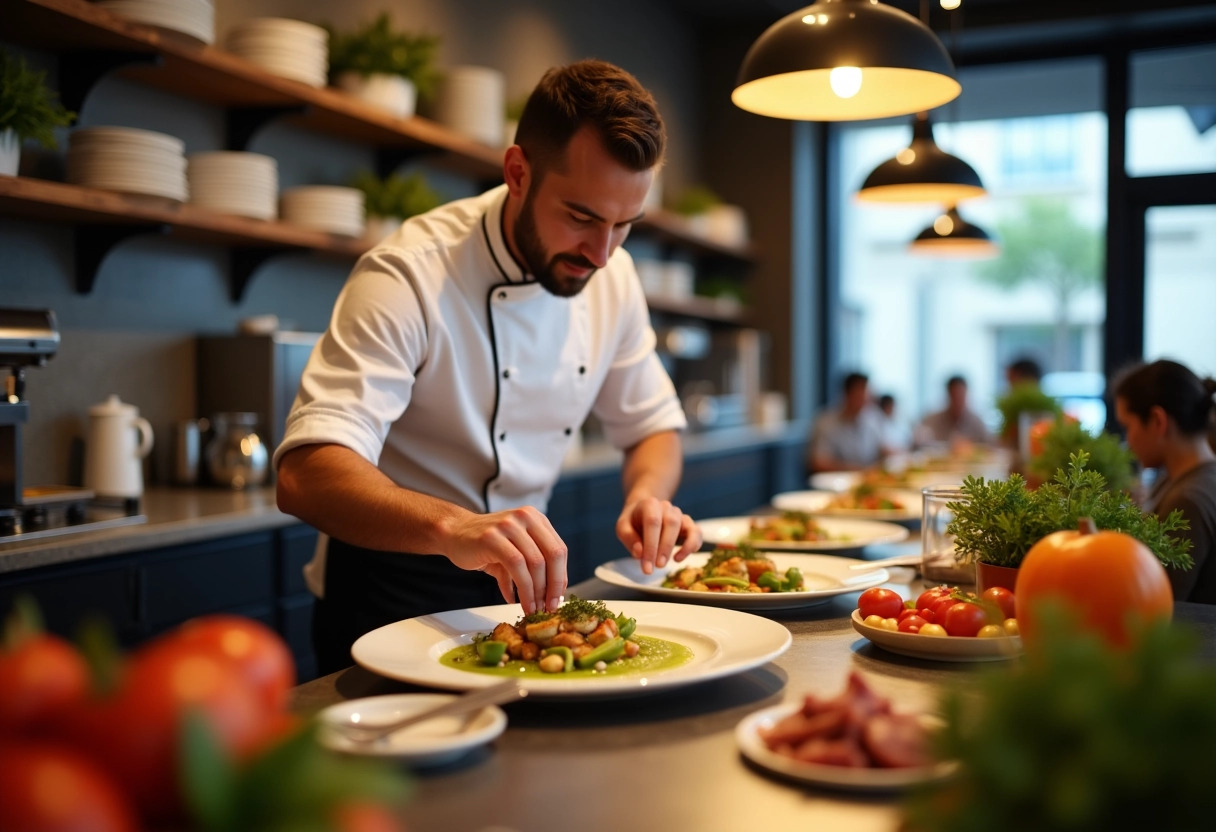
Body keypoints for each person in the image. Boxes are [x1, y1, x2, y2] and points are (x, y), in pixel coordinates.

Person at [274, 60, 702, 674]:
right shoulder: (410, 273)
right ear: (518, 173)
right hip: (389, 595)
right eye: (581, 218)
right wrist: (454, 527)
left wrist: (647, 495)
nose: (603, 254)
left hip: (522, 592)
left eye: (624, 226)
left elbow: (652, 426)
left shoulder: (615, 279)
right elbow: (305, 475)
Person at [1113, 359, 1216, 604]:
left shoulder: (1187, 500)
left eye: (1128, 426)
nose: (1128, 440)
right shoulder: (1182, 479)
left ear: (1158, 421)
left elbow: (1155, 603)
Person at [807, 372, 886, 473]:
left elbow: (881, 447)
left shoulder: (870, 419)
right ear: (847, 394)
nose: (865, 398)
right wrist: (859, 469)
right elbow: (818, 463)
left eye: (867, 394)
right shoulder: (826, 422)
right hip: (835, 482)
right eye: (861, 393)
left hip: (864, 478)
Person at [914, 375, 992, 448]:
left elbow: (989, 445)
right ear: (948, 395)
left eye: (961, 395)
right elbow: (917, 444)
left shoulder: (976, 422)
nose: (958, 401)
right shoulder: (931, 420)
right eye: (954, 396)